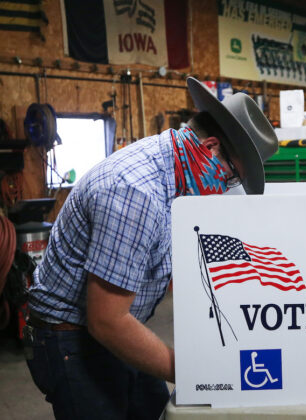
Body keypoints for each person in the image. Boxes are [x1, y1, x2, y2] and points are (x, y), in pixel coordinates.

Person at [23, 77, 278, 420]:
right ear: (211, 149)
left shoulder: (175, 168)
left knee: (160, 411)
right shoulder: (136, 192)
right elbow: (107, 322)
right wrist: (198, 376)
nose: (229, 188)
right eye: (232, 177)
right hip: (72, 339)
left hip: (112, 327)